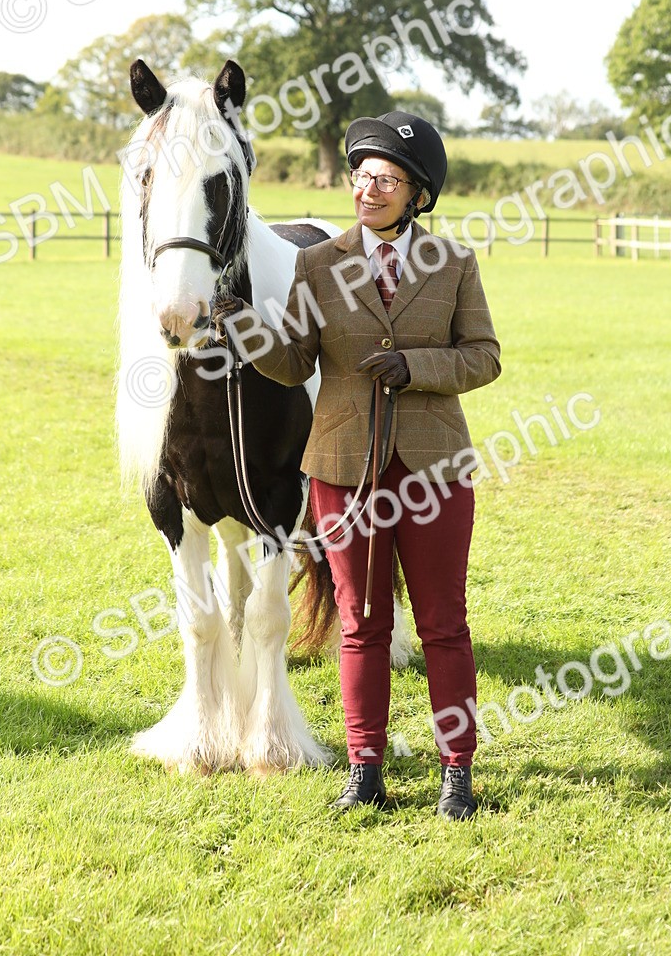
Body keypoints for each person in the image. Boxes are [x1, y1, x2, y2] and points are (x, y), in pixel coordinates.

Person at [213, 111, 501, 818]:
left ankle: (456, 772)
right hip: (342, 470)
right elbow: (293, 362)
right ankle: (365, 770)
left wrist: (416, 366)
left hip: (433, 472)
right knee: (361, 621)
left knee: (442, 623)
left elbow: (484, 358)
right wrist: (241, 323)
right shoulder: (318, 264)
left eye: (386, 179)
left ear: (418, 194)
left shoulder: (456, 265)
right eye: (361, 176)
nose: (368, 190)